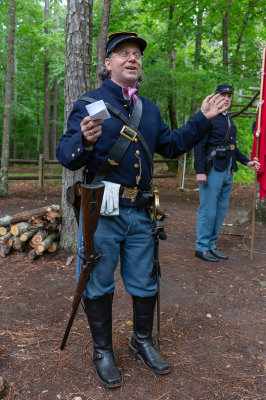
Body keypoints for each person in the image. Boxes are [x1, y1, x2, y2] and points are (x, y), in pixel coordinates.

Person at [56, 31, 228, 388]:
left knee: (145, 279)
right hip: (101, 211)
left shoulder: (147, 110)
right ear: (108, 63)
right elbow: (65, 156)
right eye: (123, 53)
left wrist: (202, 117)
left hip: (141, 211)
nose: (132, 58)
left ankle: (142, 341)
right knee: (98, 281)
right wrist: (84, 140)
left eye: (136, 54)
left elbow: (173, 145)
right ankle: (103, 351)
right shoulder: (89, 103)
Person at [194, 84, 260, 262]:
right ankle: (201, 247)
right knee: (208, 210)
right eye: (223, 95)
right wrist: (200, 171)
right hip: (212, 169)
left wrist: (247, 162)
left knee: (221, 211)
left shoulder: (228, 119)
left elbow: (233, 148)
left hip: (228, 169)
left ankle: (211, 245)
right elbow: (199, 145)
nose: (226, 98)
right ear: (215, 97)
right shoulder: (208, 118)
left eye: (229, 96)